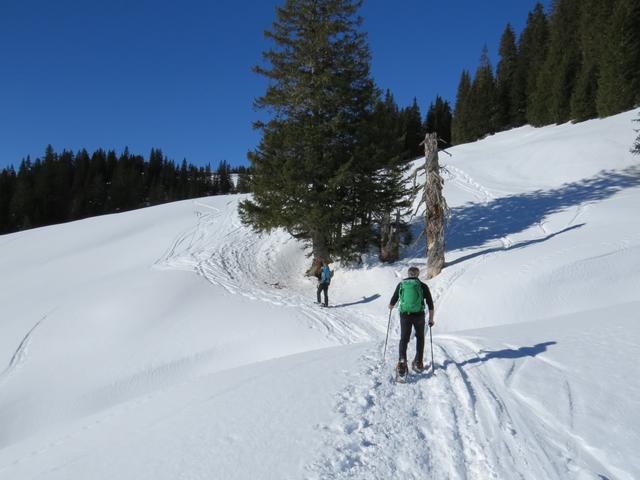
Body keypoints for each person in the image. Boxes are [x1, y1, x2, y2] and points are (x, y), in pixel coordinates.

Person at [388, 266, 435, 377]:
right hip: (419, 315)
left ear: (408, 274)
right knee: (420, 337)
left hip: (405, 315)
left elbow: (392, 302)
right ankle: (418, 362)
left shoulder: (402, 285)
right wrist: (431, 319)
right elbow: (430, 304)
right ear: (418, 275)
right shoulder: (423, 286)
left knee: (404, 338)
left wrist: (390, 306)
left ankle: (402, 361)